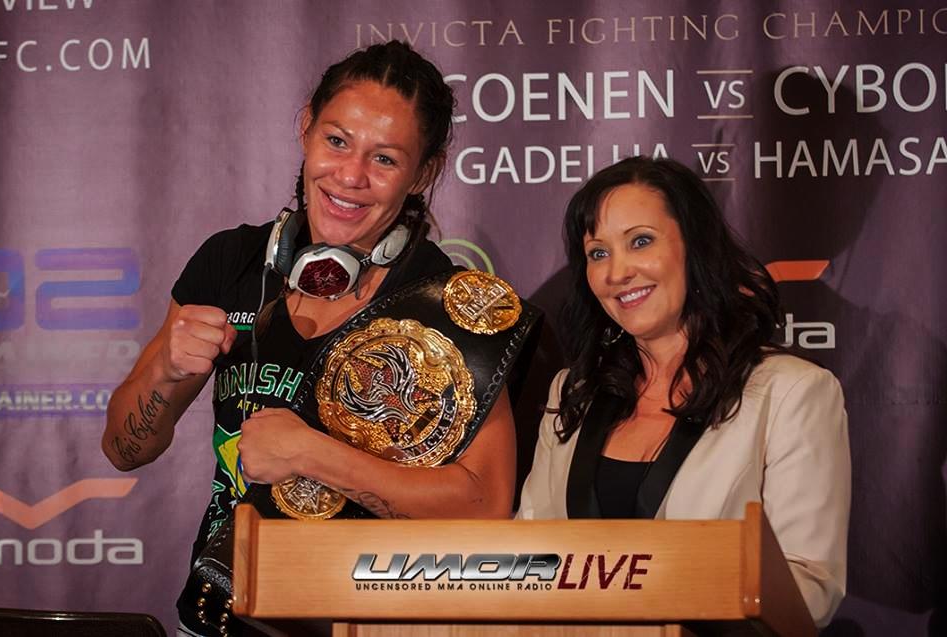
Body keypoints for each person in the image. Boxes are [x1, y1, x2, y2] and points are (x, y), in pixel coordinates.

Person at [102, 41, 536, 636]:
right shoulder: (232, 263)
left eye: (384, 159)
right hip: (223, 612)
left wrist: (313, 455)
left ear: (424, 173)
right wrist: (165, 372)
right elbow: (124, 450)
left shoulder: (449, 304)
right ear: (306, 128)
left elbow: (485, 508)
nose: (350, 176)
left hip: (370, 624)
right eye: (336, 141)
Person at [516, 156, 850, 628]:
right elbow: (529, 550)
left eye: (641, 241)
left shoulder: (793, 391)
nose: (617, 272)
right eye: (598, 253)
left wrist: (664, 588)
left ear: (695, 248)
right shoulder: (574, 390)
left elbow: (811, 589)